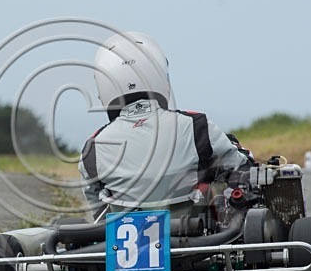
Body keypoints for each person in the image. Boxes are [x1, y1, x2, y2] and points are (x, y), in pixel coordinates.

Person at [79, 31, 253, 218]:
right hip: (194, 237)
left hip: (123, 242)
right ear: (160, 75)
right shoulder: (196, 126)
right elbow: (243, 169)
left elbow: (99, 213)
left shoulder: (93, 148)